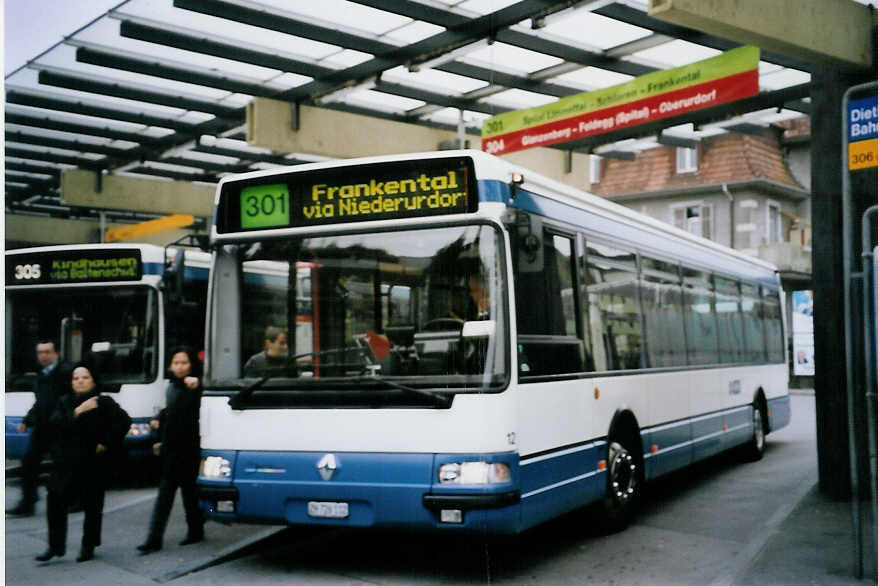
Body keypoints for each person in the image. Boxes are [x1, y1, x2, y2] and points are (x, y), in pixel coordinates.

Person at [37, 363, 131, 563]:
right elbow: (55, 425)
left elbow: (124, 422)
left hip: (92, 462)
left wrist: (106, 442)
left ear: (93, 381)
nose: (80, 381)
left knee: (92, 506)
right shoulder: (64, 401)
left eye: (85, 377)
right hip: (67, 462)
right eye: (76, 378)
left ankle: (89, 545)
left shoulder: (104, 402)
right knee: (55, 498)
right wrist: (78, 411)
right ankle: (55, 546)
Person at [137, 347, 204, 554]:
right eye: (176, 363)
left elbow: (200, 402)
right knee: (165, 496)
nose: (180, 367)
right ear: (170, 366)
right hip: (172, 450)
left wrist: (198, 385)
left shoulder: (195, 386)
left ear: (191, 365)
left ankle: (195, 531)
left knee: (189, 494)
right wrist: (159, 419)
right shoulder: (171, 387)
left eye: (184, 363)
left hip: (189, 449)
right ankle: (154, 539)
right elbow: (171, 411)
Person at [7, 340, 72, 517]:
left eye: (47, 352)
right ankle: (28, 502)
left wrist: (63, 419)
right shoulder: (42, 374)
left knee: (64, 465)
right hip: (43, 428)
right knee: (29, 462)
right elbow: (41, 402)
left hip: (60, 428)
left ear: (56, 354)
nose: (43, 356)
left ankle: (74, 500)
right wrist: (27, 420)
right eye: (40, 352)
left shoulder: (66, 372)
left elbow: (70, 400)